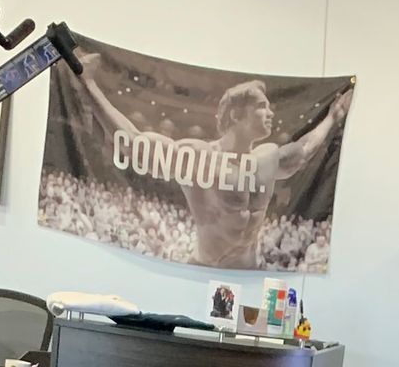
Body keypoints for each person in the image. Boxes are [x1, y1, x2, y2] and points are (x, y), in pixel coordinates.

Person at [75, 54, 353, 270]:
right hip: (201, 268)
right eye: (261, 106)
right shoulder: (199, 158)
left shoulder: (267, 157)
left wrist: (332, 117)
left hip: (250, 271)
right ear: (236, 115)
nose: (270, 113)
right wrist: (88, 84)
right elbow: (134, 142)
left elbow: (303, 150)